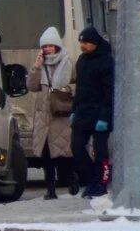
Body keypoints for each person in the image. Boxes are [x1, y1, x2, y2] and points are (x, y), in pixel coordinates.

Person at [29, 27, 77, 199]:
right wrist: (35, 67)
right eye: (45, 46)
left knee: (64, 153)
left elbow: (77, 85)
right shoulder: (41, 66)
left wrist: (65, 89)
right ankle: (50, 189)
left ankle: (72, 180)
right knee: (46, 155)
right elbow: (32, 87)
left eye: (51, 46)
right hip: (44, 116)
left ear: (57, 46)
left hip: (61, 114)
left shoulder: (68, 62)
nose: (48, 49)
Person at [71, 26, 114, 198]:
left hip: (99, 114)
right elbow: (80, 89)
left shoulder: (106, 61)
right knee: (76, 148)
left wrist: (105, 117)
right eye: (81, 42)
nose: (83, 46)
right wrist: (74, 110)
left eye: (86, 43)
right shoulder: (82, 60)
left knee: (100, 151)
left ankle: (101, 184)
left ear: (95, 43)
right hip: (82, 112)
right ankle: (91, 180)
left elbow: (109, 92)